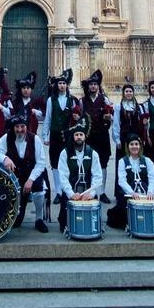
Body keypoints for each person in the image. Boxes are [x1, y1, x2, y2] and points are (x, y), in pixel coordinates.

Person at [0, 114, 49, 232]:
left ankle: (39, 219)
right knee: (17, 223)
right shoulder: (6, 138)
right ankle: (16, 213)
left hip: (33, 175)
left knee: (39, 188)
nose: (20, 130)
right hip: (16, 177)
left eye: (22, 126)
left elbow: (41, 163)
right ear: (13, 127)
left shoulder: (35, 139)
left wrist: (31, 179)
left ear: (26, 127)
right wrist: (4, 158)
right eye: (17, 127)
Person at [43, 69, 82, 205]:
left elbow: (78, 118)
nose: (61, 85)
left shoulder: (72, 100)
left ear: (67, 85)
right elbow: (47, 117)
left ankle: (67, 190)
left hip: (68, 135)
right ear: (56, 85)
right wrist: (45, 135)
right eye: (59, 83)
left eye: (64, 83)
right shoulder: (50, 100)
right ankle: (58, 191)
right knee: (54, 163)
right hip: (54, 134)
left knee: (67, 161)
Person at [56, 119, 102, 233]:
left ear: (85, 137)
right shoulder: (64, 153)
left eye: (81, 134)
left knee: (93, 224)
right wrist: (71, 194)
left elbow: (97, 176)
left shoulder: (93, 153)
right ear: (73, 137)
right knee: (65, 225)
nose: (79, 137)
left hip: (88, 193)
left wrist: (91, 194)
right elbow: (62, 176)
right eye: (76, 135)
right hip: (71, 192)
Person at [106, 133, 154, 230]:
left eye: (136, 144)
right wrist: (131, 193)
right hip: (129, 195)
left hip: (145, 194)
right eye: (132, 144)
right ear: (128, 147)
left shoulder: (147, 161)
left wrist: (150, 191)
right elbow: (121, 181)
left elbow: (153, 178)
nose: (134, 147)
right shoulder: (122, 161)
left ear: (140, 146)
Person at [80, 70, 114, 203]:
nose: (93, 86)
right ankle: (91, 191)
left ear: (98, 86)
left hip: (102, 135)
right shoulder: (82, 101)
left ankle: (102, 191)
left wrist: (108, 117)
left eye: (95, 84)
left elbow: (111, 115)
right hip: (89, 136)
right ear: (88, 87)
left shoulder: (104, 99)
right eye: (91, 84)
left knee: (103, 164)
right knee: (89, 163)